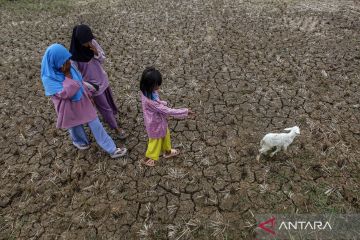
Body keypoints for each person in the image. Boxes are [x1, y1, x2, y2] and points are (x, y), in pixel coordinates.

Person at [40, 43, 127, 158]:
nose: (68, 62)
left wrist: (89, 94)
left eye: (68, 59)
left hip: (82, 101)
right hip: (68, 108)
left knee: (96, 123)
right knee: (75, 126)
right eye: (64, 61)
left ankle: (112, 149)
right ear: (55, 61)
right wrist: (67, 76)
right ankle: (81, 142)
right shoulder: (49, 78)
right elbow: (66, 94)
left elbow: (80, 82)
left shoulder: (69, 66)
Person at [69, 24, 126, 139]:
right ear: (78, 41)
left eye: (90, 40)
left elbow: (102, 59)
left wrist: (96, 52)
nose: (89, 43)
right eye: (86, 42)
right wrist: (87, 90)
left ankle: (113, 116)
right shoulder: (74, 57)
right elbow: (77, 76)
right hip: (93, 87)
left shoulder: (93, 44)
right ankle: (116, 128)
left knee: (109, 101)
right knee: (104, 107)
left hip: (102, 79)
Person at [140, 67, 194, 167]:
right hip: (155, 126)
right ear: (149, 85)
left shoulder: (145, 91)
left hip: (160, 122)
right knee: (154, 143)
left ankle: (167, 152)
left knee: (166, 136)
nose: (158, 87)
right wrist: (185, 111)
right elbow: (168, 111)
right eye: (156, 85)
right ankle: (146, 159)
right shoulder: (150, 102)